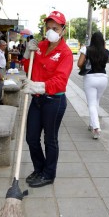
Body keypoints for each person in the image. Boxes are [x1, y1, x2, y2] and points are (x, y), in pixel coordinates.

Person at [22, 11, 73, 188]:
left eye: (55, 28)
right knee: (31, 137)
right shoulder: (41, 46)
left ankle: (49, 174)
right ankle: (40, 168)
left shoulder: (65, 53)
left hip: (54, 101)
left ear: (62, 30)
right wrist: (28, 53)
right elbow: (28, 68)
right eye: (48, 27)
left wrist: (37, 86)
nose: (51, 30)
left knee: (50, 140)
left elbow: (60, 81)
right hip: (37, 100)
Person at [77, 31, 109, 140]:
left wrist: (84, 66)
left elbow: (79, 64)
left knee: (91, 104)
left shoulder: (86, 49)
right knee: (96, 102)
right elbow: (106, 62)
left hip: (90, 78)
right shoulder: (106, 51)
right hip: (103, 78)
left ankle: (96, 127)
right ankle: (91, 124)